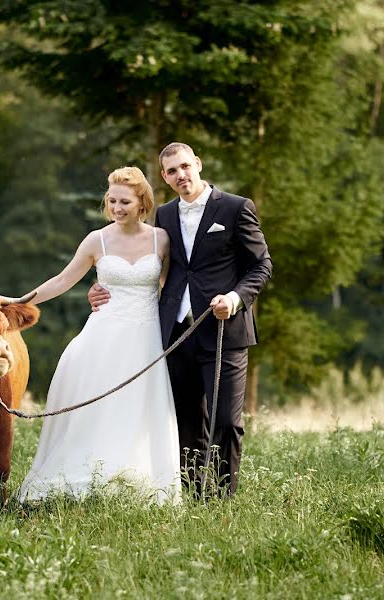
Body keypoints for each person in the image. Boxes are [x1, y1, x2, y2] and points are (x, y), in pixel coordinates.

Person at [89, 142, 272, 496]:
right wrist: (100, 287)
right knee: (186, 421)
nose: (181, 175)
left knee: (227, 421)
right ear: (164, 177)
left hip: (224, 330)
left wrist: (235, 299)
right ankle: (192, 495)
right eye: (172, 171)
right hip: (176, 332)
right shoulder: (167, 215)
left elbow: (262, 265)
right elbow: (161, 269)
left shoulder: (236, 208)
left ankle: (221, 500)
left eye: (185, 166)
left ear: (198, 164)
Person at [12, 166, 181, 505]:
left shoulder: (160, 239)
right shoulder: (97, 240)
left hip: (145, 338)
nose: (118, 208)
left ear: (142, 202)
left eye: (126, 202)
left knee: (139, 406)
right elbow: (62, 281)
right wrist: (19, 301)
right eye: (113, 201)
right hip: (104, 337)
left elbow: (171, 288)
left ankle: (137, 478)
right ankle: (91, 472)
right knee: (100, 406)